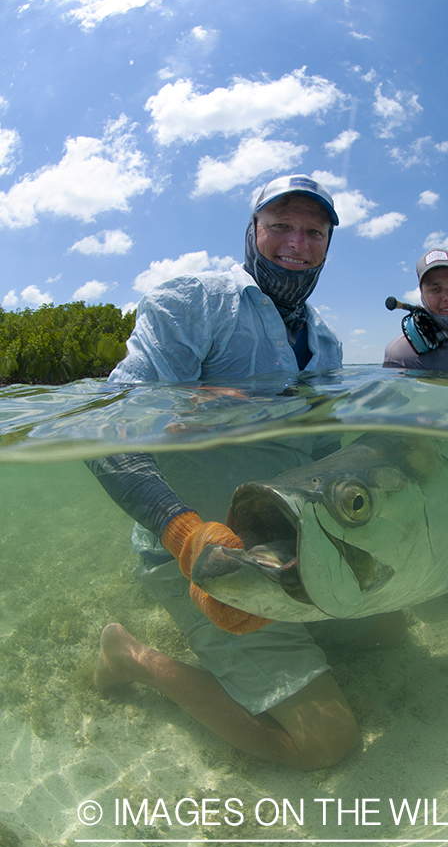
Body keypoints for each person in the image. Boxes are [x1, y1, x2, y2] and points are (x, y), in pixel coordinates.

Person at [90, 174, 405, 771]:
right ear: (251, 231)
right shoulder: (191, 304)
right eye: (280, 225)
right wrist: (184, 535)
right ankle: (128, 655)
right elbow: (108, 428)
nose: (298, 242)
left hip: (281, 544)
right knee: (325, 743)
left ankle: (286, 640)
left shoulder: (327, 342)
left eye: (315, 231)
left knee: (389, 633)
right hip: (204, 553)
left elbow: (322, 458)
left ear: (329, 245)